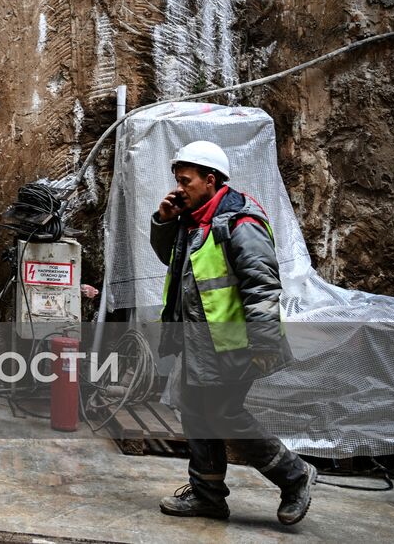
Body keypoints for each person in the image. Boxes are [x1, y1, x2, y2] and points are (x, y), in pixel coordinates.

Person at [151, 140, 317, 526]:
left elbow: (261, 285)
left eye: (186, 181)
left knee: (224, 415)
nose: (179, 188)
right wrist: (163, 220)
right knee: (196, 413)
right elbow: (171, 261)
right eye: (177, 180)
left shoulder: (240, 222)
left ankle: (295, 477)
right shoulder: (193, 222)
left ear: (211, 181)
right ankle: (208, 496)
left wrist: (263, 343)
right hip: (199, 343)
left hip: (233, 345)